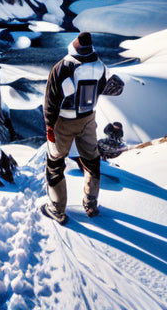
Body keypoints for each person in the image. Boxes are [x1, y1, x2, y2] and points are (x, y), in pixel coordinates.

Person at [42, 31, 108, 222]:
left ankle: (57, 209)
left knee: (55, 163)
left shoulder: (63, 66)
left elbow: (51, 100)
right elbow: (101, 88)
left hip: (63, 122)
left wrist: (49, 126)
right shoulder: (100, 66)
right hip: (88, 119)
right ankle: (91, 204)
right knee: (92, 161)